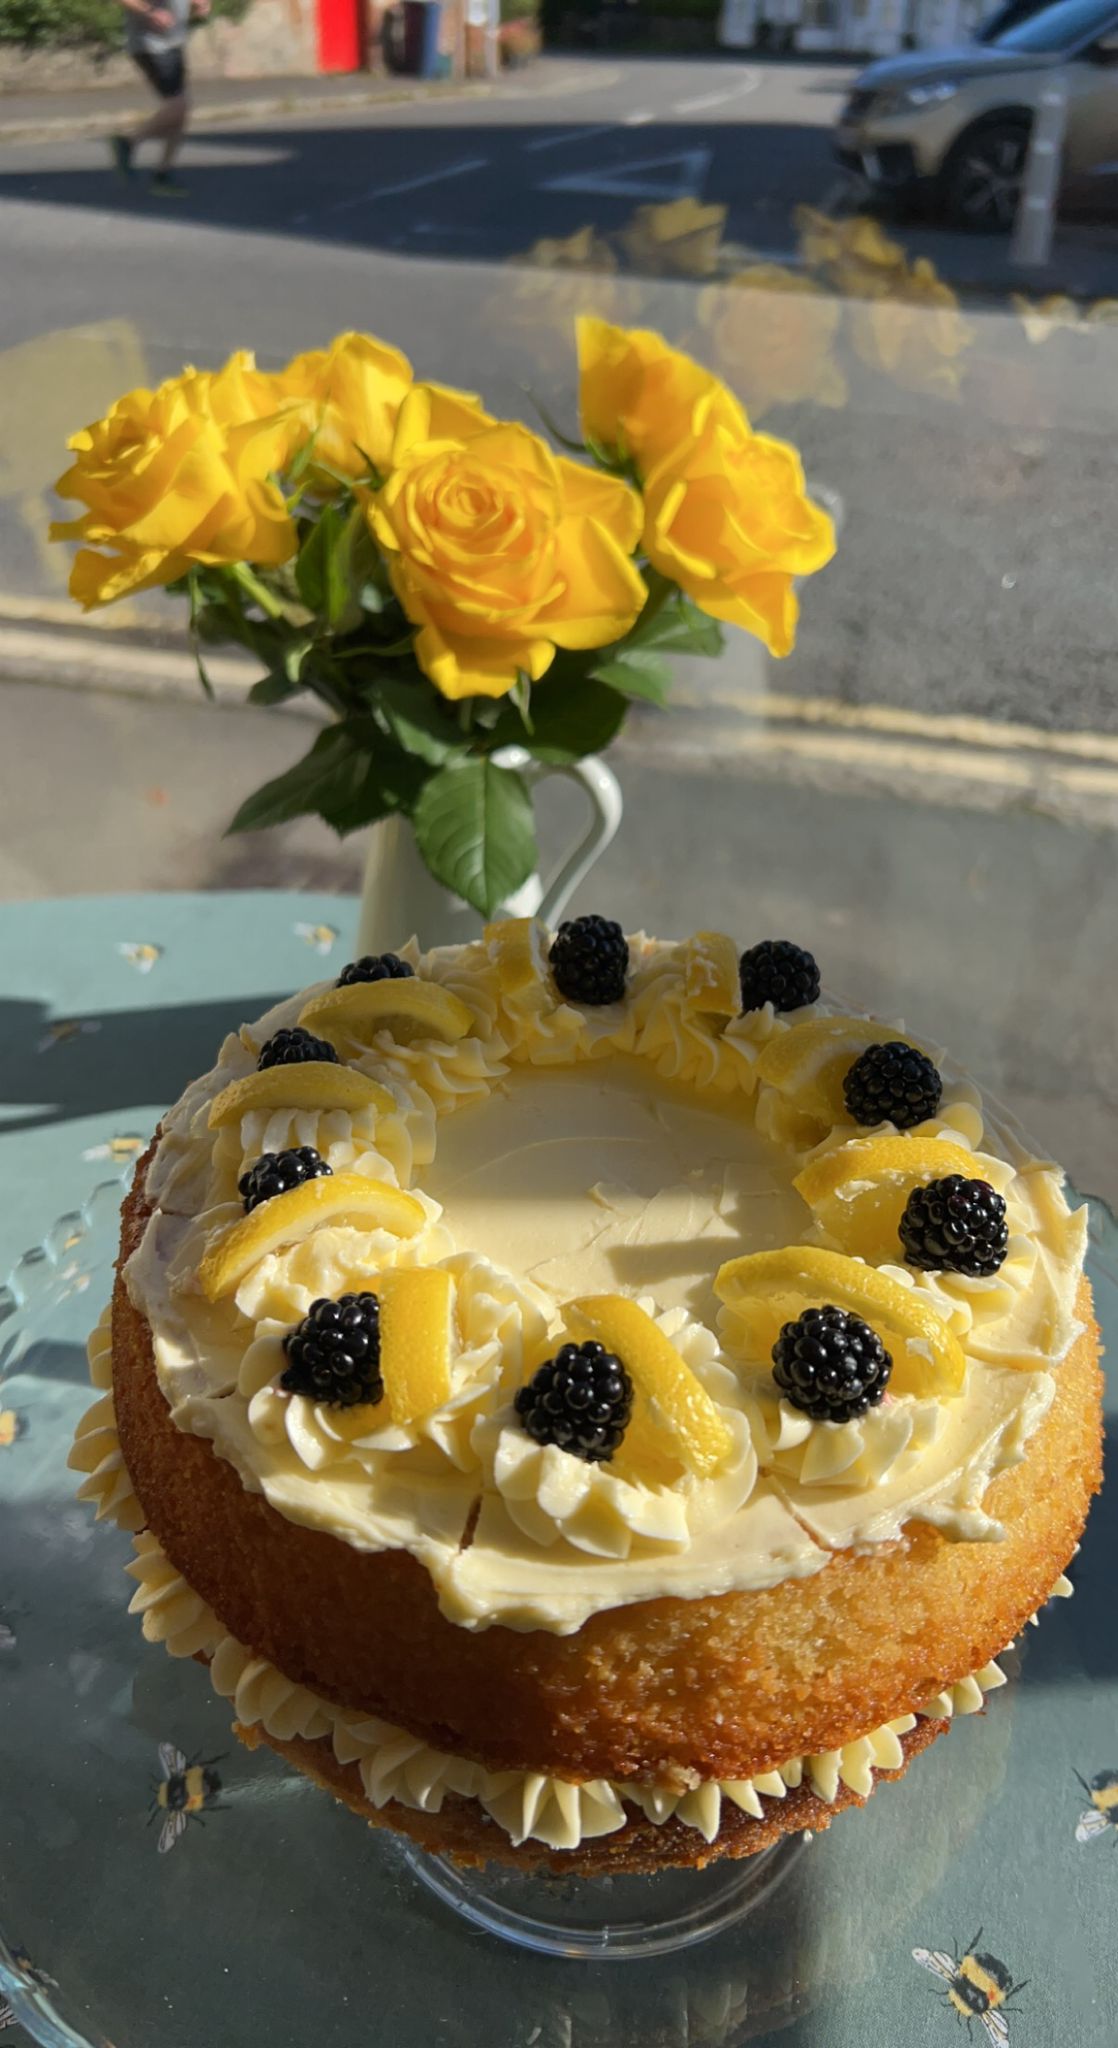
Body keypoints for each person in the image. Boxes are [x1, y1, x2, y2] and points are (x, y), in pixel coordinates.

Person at [110, 0, 210, 198]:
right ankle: (128, 144)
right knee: (178, 105)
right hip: (150, 44)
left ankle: (163, 174)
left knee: (180, 112)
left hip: (173, 41)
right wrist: (151, 11)